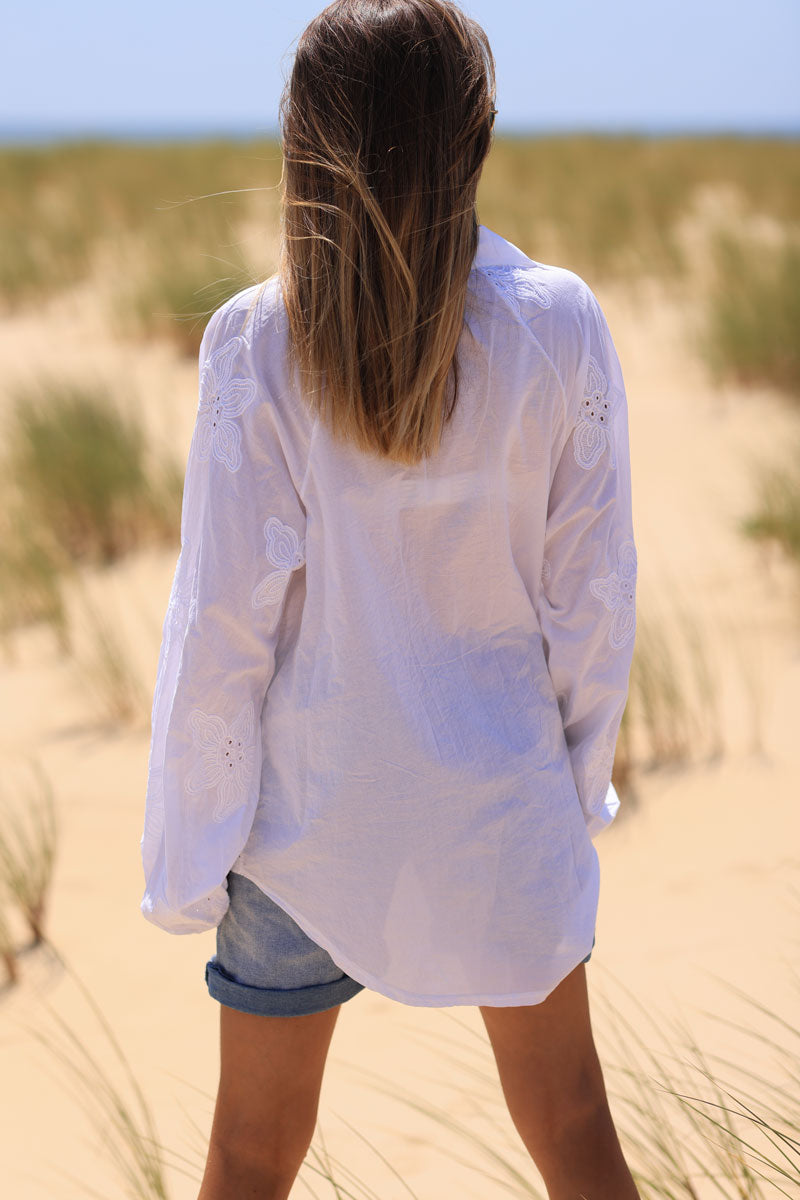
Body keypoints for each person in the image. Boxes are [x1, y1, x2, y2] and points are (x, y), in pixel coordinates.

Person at [140, 1, 640, 1197]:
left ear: (304, 139)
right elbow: (592, 605)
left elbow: (219, 628)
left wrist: (193, 855)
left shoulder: (254, 339)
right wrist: (565, 796)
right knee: (573, 1132)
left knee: (249, 1160)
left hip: (303, 828)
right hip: (498, 809)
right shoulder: (554, 323)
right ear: (472, 132)